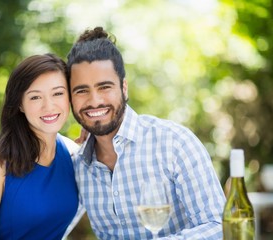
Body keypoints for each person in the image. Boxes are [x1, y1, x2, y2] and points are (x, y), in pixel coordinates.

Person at [66, 27, 226, 239]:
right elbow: (51, 226)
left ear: (124, 88)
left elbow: (219, 226)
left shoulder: (174, 143)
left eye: (104, 87)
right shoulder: (78, 166)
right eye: (82, 90)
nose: (94, 101)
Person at [0, 53, 82, 239]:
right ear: (20, 104)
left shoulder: (74, 154)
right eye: (35, 97)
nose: (49, 106)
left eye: (57, 93)